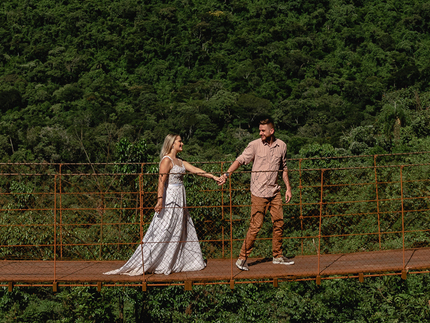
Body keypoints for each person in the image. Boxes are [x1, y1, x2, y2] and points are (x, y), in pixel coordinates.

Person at [105, 134, 219, 276]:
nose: (182, 143)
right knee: (165, 228)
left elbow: (196, 170)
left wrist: (213, 177)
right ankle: (151, 260)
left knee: (178, 227)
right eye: (179, 141)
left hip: (180, 198)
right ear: (172, 144)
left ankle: (172, 260)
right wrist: (160, 200)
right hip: (170, 197)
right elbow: (161, 181)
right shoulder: (167, 160)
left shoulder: (180, 161)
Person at [219, 117, 293, 270]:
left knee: (279, 223)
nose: (260, 133)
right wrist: (226, 175)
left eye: (263, 130)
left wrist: (288, 188)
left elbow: (284, 168)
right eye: (259, 130)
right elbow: (239, 160)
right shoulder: (254, 145)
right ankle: (242, 259)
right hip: (259, 192)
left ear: (271, 131)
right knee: (255, 226)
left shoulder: (282, 146)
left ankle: (277, 256)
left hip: (274, 191)